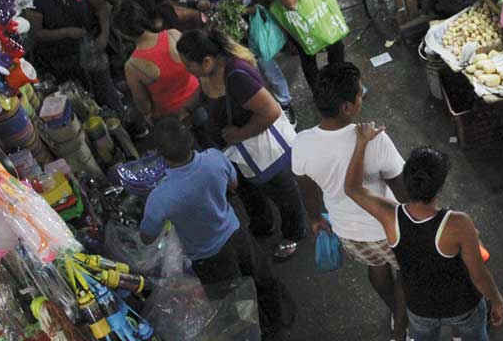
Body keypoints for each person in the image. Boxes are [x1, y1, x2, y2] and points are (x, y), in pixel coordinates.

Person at [139, 117, 292, 337]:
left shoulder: (160, 196)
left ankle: (257, 332)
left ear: (161, 154)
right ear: (189, 139)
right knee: (260, 277)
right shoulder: (214, 158)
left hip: (209, 258)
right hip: (236, 234)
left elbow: (147, 237)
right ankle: (277, 320)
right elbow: (233, 185)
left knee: (235, 299)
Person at [346, 134, 503, 341]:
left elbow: (352, 188)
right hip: (462, 306)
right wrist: (497, 301)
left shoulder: (390, 216)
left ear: (406, 180)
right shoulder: (458, 223)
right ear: (440, 186)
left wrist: (361, 143)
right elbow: (478, 274)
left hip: (419, 310)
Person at [292, 62, 408, 341]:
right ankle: (403, 324)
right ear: (347, 107)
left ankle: (395, 313)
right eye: (359, 93)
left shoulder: (302, 143)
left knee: (377, 268)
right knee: (406, 273)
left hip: (348, 231)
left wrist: (315, 218)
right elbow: (404, 192)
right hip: (388, 228)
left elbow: (306, 188)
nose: (362, 94)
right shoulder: (374, 140)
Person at [177, 28, 307, 260]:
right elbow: (203, 92)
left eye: (188, 65)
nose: (186, 70)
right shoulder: (208, 72)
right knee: (249, 190)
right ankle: (263, 224)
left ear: (207, 60)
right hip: (236, 153)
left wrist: (240, 134)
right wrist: (186, 108)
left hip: (263, 151)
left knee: (283, 193)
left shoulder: (237, 76)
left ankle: (294, 233)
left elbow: (271, 111)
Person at [190, 0, 295, 124]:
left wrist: (241, 10)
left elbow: (263, 2)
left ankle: (285, 103)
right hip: (229, 39)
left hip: (252, 35)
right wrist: (205, 2)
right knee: (247, 74)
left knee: (268, 68)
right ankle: (262, 106)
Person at [25, 0, 124, 114]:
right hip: (61, 56)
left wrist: (104, 34)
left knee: (103, 82)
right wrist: (65, 32)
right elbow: (37, 33)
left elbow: (101, 8)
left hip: (90, 45)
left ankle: (118, 112)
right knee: (80, 95)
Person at [113, 0, 199, 123]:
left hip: (174, 117)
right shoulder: (174, 35)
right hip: (199, 96)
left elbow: (144, 107)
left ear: (123, 34)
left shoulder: (132, 67)